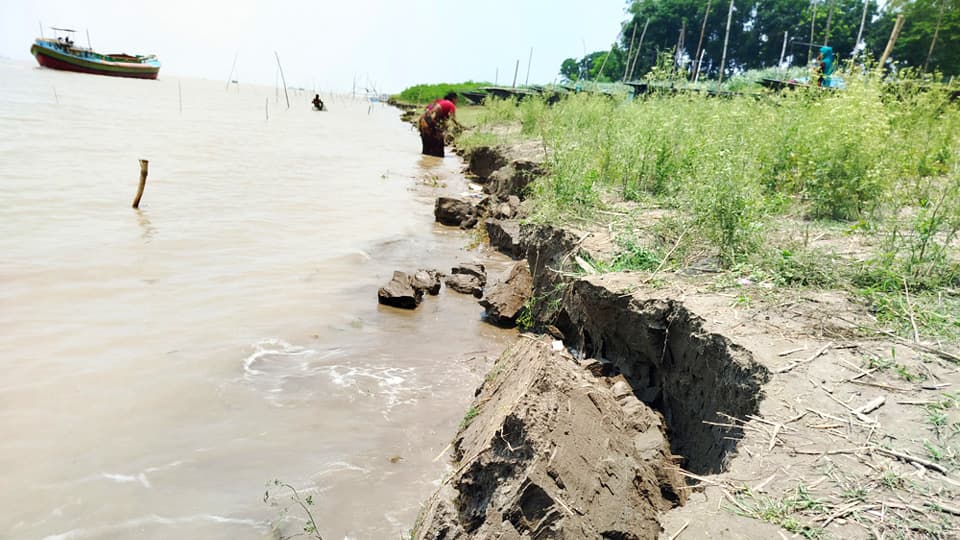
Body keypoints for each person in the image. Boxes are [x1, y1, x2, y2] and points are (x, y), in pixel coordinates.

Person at [418, 91, 463, 157]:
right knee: (439, 152)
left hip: (422, 121)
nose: (457, 101)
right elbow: (453, 119)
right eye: (457, 99)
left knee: (426, 150)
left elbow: (427, 110)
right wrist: (461, 127)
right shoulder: (451, 104)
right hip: (430, 122)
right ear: (454, 99)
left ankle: (426, 163)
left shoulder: (438, 101)